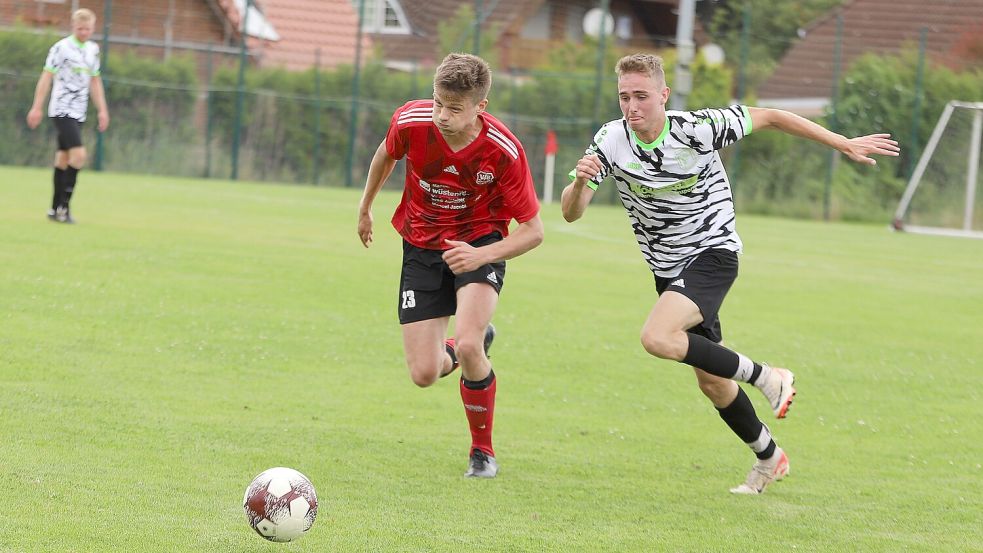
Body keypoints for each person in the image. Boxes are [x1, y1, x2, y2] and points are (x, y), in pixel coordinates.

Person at [561, 54, 899, 494]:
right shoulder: (609, 140)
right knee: (713, 382)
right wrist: (579, 184)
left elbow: (774, 117)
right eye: (625, 97)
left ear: (663, 95)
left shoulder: (696, 128)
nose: (632, 107)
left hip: (713, 251)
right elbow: (572, 213)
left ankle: (768, 376)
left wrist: (842, 143)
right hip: (668, 269)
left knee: (657, 337)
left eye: (642, 96)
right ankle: (770, 458)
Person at [358, 53, 544, 478]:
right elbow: (385, 155)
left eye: (454, 108)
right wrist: (365, 207)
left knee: (468, 344)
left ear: (481, 107)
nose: (442, 114)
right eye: (438, 102)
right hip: (421, 245)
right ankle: (459, 350)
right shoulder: (411, 121)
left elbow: (534, 231)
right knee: (424, 374)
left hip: (480, 241)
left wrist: (481, 255)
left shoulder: (504, 150)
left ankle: (482, 452)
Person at [26, 8, 110, 224]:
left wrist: (102, 109)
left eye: (88, 29)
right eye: (80, 28)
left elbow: (95, 81)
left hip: (79, 110)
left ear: (93, 28)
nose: (84, 32)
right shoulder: (61, 48)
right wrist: (37, 107)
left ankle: (54, 209)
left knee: (63, 158)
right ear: (73, 27)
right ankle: (64, 208)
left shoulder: (93, 50)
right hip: (61, 109)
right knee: (79, 155)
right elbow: (46, 77)